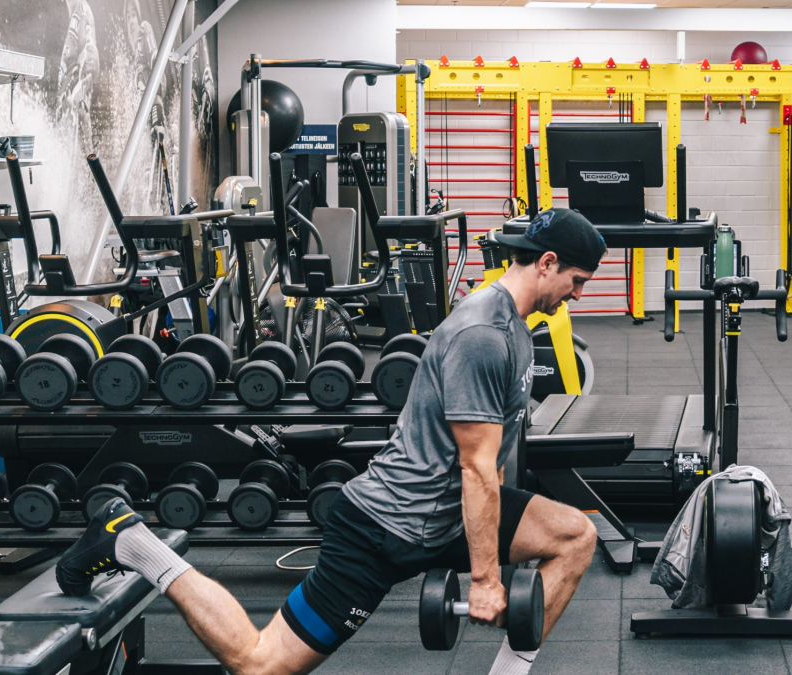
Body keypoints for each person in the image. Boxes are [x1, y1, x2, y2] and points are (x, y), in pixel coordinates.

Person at [54, 208, 608, 675]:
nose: (578, 295)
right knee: (261, 663)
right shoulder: (483, 335)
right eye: (578, 281)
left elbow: (492, 467)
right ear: (547, 262)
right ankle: (131, 541)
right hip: (383, 528)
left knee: (574, 537)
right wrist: (486, 579)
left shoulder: (516, 323)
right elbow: (479, 471)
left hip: (443, 518)